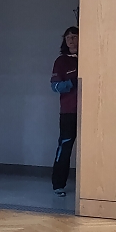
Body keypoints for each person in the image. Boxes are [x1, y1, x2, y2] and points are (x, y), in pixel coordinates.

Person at [50, 26, 79, 197]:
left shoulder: (89, 58)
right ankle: (58, 184)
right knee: (65, 147)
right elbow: (54, 86)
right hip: (69, 113)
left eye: (74, 37)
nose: (71, 41)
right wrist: (72, 83)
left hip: (90, 112)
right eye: (68, 38)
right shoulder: (61, 61)